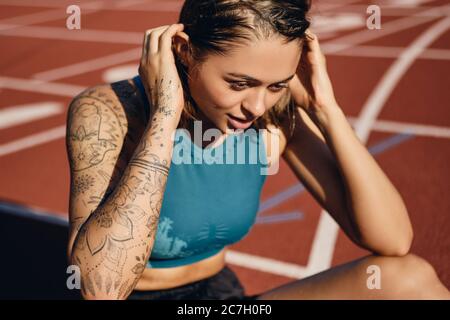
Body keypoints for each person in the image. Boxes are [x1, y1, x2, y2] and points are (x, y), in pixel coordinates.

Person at [65, 0, 450, 300]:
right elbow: (101, 287)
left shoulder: (272, 116)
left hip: (226, 300)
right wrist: (164, 115)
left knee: (408, 280)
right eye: (239, 83)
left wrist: (325, 111)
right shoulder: (107, 113)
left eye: (277, 85)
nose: (257, 106)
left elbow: (393, 240)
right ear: (183, 50)